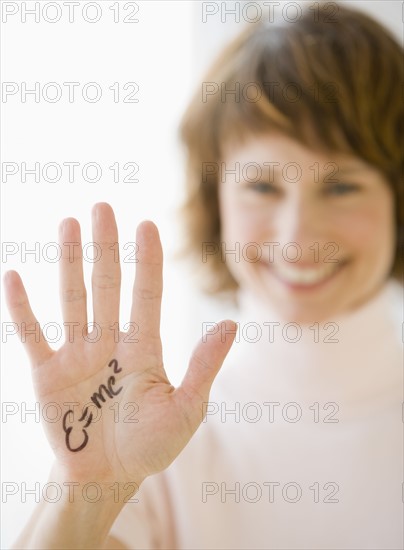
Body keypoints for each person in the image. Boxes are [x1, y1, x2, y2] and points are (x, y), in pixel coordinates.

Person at [4, 2, 403, 548]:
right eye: (262, 186)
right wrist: (85, 490)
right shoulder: (152, 435)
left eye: (341, 187)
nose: (297, 238)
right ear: (216, 204)